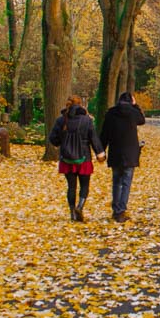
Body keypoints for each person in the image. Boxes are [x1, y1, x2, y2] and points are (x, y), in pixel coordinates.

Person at [49, 95, 105, 223]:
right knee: (84, 185)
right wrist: (100, 153)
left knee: (71, 186)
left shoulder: (61, 120)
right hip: (84, 158)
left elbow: (53, 138)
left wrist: (61, 143)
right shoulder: (87, 120)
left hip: (66, 159)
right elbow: (94, 138)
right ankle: (80, 206)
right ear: (81, 105)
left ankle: (72, 213)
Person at [100, 92, 145, 223]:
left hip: (115, 153)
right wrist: (136, 106)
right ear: (131, 101)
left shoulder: (111, 113)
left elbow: (104, 134)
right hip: (130, 153)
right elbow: (142, 120)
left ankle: (116, 209)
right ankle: (121, 210)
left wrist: (101, 151)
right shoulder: (133, 112)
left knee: (116, 182)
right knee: (126, 183)